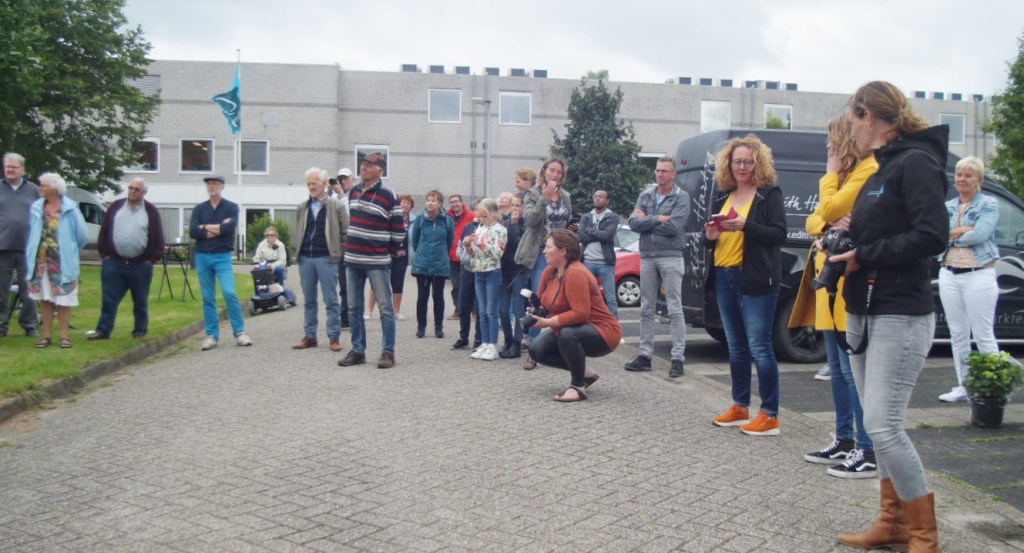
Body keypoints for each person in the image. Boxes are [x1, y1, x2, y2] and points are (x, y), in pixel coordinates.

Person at [830, 81, 949, 552]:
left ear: (870, 116)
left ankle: (924, 534)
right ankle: (893, 522)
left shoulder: (916, 163)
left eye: (853, 120)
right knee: (875, 422)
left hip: (901, 309)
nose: (851, 131)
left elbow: (932, 235)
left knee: (883, 424)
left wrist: (867, 254)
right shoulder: (878, 168)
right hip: (865, 306)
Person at [790, 113, 879, 477]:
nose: (828, 149)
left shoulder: (864, 171)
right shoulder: (843, 179)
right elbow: (814, 220)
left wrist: (829, 178)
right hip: (829, 281)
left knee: (853, 369)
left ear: (846, 142)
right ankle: (844, 438)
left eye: (832, 144)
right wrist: (828, 220)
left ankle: (866, 446)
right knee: (838, 371)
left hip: (848, 280)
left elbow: (826, 208)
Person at [705, 135, 786, 436]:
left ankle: (770, 414)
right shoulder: (722, 195)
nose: (741, 167)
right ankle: (740, 406)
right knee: (735, 346)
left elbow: (779, 234)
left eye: (747, 162)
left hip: (754, 277)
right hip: (724, 274)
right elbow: (710, 238)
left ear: (758, 164)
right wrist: (710, 236)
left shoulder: (768, 194)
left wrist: (745, 226)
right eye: (736, 161)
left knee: (760, 347)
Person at [527, 229, 622, 402]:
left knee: (568, 333)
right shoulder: (550, 271)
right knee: (536, 350)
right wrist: (535, 313)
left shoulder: (576, 273)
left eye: (548, 247)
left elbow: (580, 313)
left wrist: (547, 322)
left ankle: (578, 387)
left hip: (603, 332)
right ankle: (585, 374)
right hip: (571, 328)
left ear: (562, 251)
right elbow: (541, 303)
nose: (544, 251)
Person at [936, 156, 1000, 403]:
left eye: (968, 175)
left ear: (978, 180)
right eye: (960, 174)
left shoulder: (989, 204)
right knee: (957, 333)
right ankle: (964, 384)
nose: (962, 179)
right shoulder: (949, 206)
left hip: (979, 274)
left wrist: (954, 235)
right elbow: (937, 236)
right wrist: (962, 230)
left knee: (983, 333)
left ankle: (994, 385)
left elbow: (981, 235)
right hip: (949, 272)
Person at [338, 152, 404, 369]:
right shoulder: (354, 191)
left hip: (377, 260)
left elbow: (398, 231)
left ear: (380, 170)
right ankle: (358, 350)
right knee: (354, 307)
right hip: (352, 260)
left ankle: (388, 352)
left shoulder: (388, 195)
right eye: (362, 164)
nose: (363, 168)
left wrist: (388, 252)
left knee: (385, 308)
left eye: (369, 165)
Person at [625, 157, 689, 378]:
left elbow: (674, 227)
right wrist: (658, 218)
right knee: (645, 308)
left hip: (671, 256)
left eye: (665, 171)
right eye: (658, 170)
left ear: (674, 174)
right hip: (647, 256)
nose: (660, 174)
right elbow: (633, 224)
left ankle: (678, 359)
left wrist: (648, 221)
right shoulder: (646, 195)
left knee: (674, 308)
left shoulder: (681, 197)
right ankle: (644, 356)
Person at [88, 177, 166, 341]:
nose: (132, 191)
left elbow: (158, 238)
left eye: (136, 189)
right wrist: (106, 255)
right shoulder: (115, 207)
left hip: (140, 264)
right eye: (130, 188)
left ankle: (140, 331)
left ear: (144, 192)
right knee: (109, 300)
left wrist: (150, 261)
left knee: (140, 301)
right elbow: (104, 231)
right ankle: (103, 330)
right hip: (114, 263)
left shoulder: (151, 211)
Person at [514, 158, 572, 369]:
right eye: (552, 171)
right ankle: (533, 352)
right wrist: (544, 200)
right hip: (541, 255)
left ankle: (566, 347)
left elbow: (565, 222)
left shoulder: (566, 196)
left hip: (563, 256)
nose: (555, 175)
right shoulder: (533, 193)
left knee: (563, 301)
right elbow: (529, 221)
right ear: (544, 172)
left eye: (559, 172)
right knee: (541, 303)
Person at [189, 175, 253, 350]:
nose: (211, 186)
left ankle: (240, 332)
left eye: (214, 183)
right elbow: (194, 232)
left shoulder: (231, 207)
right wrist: (216, 228)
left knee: (229, 292)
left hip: (222, 256)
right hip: (202, 256)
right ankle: (211, 335)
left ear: (222, 186)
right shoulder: (199, 209)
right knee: (208, 297)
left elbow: (228, 228)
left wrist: (206, 227)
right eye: (209, 184)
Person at [25, 173, 88, 349]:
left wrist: (70, 249)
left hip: (63, 262)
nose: (40, 188)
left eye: (43, 185)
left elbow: (82, 236)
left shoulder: (70, 209)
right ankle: (46, 335)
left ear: (53, 189)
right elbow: (32, 232)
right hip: (41, 261)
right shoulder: (37, 208)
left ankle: (64, 336)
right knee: (45, 298)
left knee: (63, 299)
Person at [292, 168, 349, 352]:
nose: (310, 187)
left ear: (324, 184)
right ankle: (310, 336)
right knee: (309, 300)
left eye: (314, 184)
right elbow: (299, 230)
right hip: (306, 259)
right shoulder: (303, 207)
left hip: (326, 258)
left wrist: (338, 253)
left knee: (331, 300)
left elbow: (345, 233)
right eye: (308, 184)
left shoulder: (336, 206)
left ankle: (334, 337)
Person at [0, 152, 40, 338]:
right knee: (1, 290)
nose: (9, 169)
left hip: (28, 248)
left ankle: (30, 324)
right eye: (7, 166)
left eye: (14, 167)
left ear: (22, 169)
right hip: (3, 247)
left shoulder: (33, 190)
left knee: (29, 290)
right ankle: (1, 325)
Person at [465, 198, 507, 361]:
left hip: (492, 272)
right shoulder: (480, 228)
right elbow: (474, 254)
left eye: (484, 216)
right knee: (481, 311)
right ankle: (484, 342)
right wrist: (469, 246)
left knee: (491, 310)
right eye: (479, 216)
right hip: (478, 271)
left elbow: (497, 254)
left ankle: (493, 345)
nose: (481, 219)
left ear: (493, 213)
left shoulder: (500, 230)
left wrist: (480, 243)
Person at [410, 189, 453, 339]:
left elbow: (449, 242)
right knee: (422, 297)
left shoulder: (447, 220)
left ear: (440, 203)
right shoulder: (420, 219)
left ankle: (438, 327)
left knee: (438, 296)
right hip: (422, 264)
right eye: (428, 200)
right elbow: (414, 241)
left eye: (433, 200)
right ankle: (421, 327)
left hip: (439, 264)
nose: (430, 203)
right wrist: (421, 252)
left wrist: (441, 254)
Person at [367, 194, 413, 321]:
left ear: (411, 207)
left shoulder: (413, 220)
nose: (405, 205)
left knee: (398, 284)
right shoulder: (389, 216)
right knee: (377, 283)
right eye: (403, 202)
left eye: (408, 203)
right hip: (385, 255)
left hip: (401, 257)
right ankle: (369, 311)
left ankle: (396, 312)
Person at [577, 188, 621, 319]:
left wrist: (590, 231)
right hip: (587, 263)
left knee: (610, 298)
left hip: (606, 264)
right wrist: (598, 234)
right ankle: (587, 325)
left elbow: (608, 235)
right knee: (585, 296)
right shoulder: (586, 216)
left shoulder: (613, 217)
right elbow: (580, 236)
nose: (597, 198)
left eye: (601, 196)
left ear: (607, 201)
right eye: (595, 196)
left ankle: (614, 330)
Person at [498, 191, 528, 358]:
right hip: (504, 270)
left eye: (518, 205)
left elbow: (519, 247)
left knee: (518, 309)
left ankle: (517, 342)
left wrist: (515, 225)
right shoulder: (506, 222)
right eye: (513, 205)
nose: (515, 209)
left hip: (519, 271)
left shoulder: (527, 225)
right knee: (502, 310)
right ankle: (508, 339)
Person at [451, 202, 483, 351]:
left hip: (481, 270)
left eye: (482, 210)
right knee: (464, 305)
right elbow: (459, 245)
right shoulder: (468, 227)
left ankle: (479, 338)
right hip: (466, 269)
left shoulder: (488, 228)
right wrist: (461, 256)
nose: (479, 212)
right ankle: (463, 337)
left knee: (479, 306)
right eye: (477, 209)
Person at [446, 194, 475, 319]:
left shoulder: (471, 216)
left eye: (456, 201)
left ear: (461, 202)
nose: (454, 204)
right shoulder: (447, 216)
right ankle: (458, 309)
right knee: (456, 285)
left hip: (467, 256)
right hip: (452, 256)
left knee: (470, 284)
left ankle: (474, 311)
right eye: (452, 202)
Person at [335, 168, 355, 328]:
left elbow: (349, 216)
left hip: (354, 247)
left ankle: (352, 316)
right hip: (340, 248)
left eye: (345, 178)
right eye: (340, 179)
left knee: (353, 284)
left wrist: (341, 194)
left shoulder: (356, 195)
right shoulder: (335, 198)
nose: (343, 182)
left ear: (352, 179)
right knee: (342, 285)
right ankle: (344, 317)